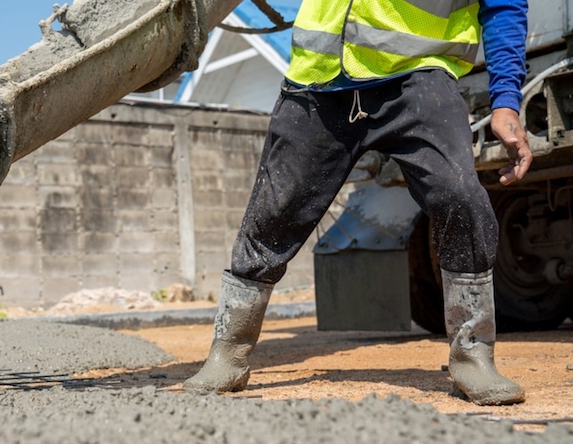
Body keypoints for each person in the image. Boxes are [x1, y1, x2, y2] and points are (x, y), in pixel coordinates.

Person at [183, 0, 532, 406]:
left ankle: (473, 357)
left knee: (462, 199)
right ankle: (229, 352)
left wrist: (505, 99)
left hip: (417, 76)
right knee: (271, 217)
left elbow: (504, 4)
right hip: (318, 81)